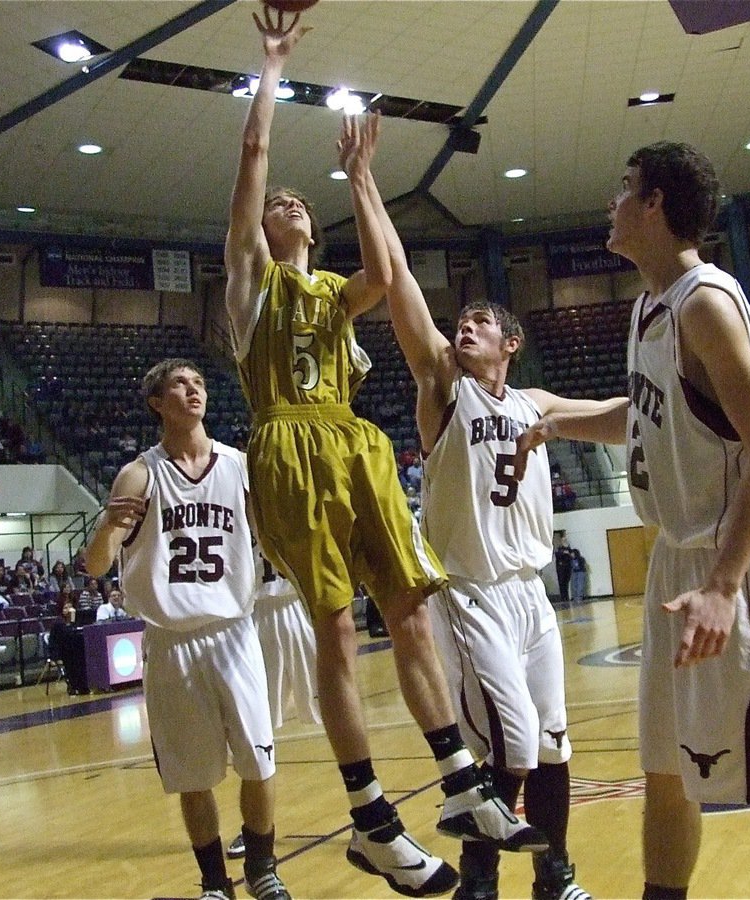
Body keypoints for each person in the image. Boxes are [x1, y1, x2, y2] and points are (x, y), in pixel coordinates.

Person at [222, 10, 542, 898]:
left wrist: (361, 176)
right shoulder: (254, 284)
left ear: (314, 230)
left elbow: (390, 274)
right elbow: (252, 165)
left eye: (299, 202)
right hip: (288, 441)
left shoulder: (334, 291)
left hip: (354, 444)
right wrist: (272, 65)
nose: (286, 201)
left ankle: (461, 782)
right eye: (278, 204)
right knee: (333, 628)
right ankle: (370, 818)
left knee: (407, 606)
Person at [516, 140, 750, 900]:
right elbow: (639, 417)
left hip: (732, 565)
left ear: (655, 204)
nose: (612, 202)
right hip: (677, 561)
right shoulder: (651, 307)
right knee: (667, 770)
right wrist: (555, 417)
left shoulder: (705, 302)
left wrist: (725, 585)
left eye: (623, 188)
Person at [356, 126, 604, 900]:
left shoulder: (535, 403)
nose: (463, 328)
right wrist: (362, 179)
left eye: (479, 323)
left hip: (533, 593)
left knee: (555, 744)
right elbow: (396, 283)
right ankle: (479, 877)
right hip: (468, 592)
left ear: (512, 342)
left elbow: (620, 412)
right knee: (514, 741)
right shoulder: (443, 384)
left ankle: (552, 874)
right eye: (459, 321)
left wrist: (699, 382)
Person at [82, 359, 288, 900]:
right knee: (192, 777)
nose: (193, 390)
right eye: (180, 383)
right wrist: (107, 527)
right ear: (157, 401)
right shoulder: (140, 474)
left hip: (235, 630)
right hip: (171, 640)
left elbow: (271, 537)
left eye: (198, 382)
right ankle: (215, 884)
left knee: (259, 761)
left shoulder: (241, 466)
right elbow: (97, 565)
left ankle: (263, 869)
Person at [227, 547, 322, 862]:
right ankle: (254, 827)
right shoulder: (237, 501)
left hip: (301, 606)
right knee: (257, 729)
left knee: (334, 709)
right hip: (255, 616)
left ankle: (367, 808)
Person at [552, 533, 572, 604]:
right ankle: (563, 597)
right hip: (561, 568)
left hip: (567, 567)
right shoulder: (559, 549)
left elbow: (571, 555)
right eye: (563, 540)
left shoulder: (568, 548)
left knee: (566, 582)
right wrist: (564, 552)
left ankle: (566, 597)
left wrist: (567, 553)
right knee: (562, 583)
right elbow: (558, 554)